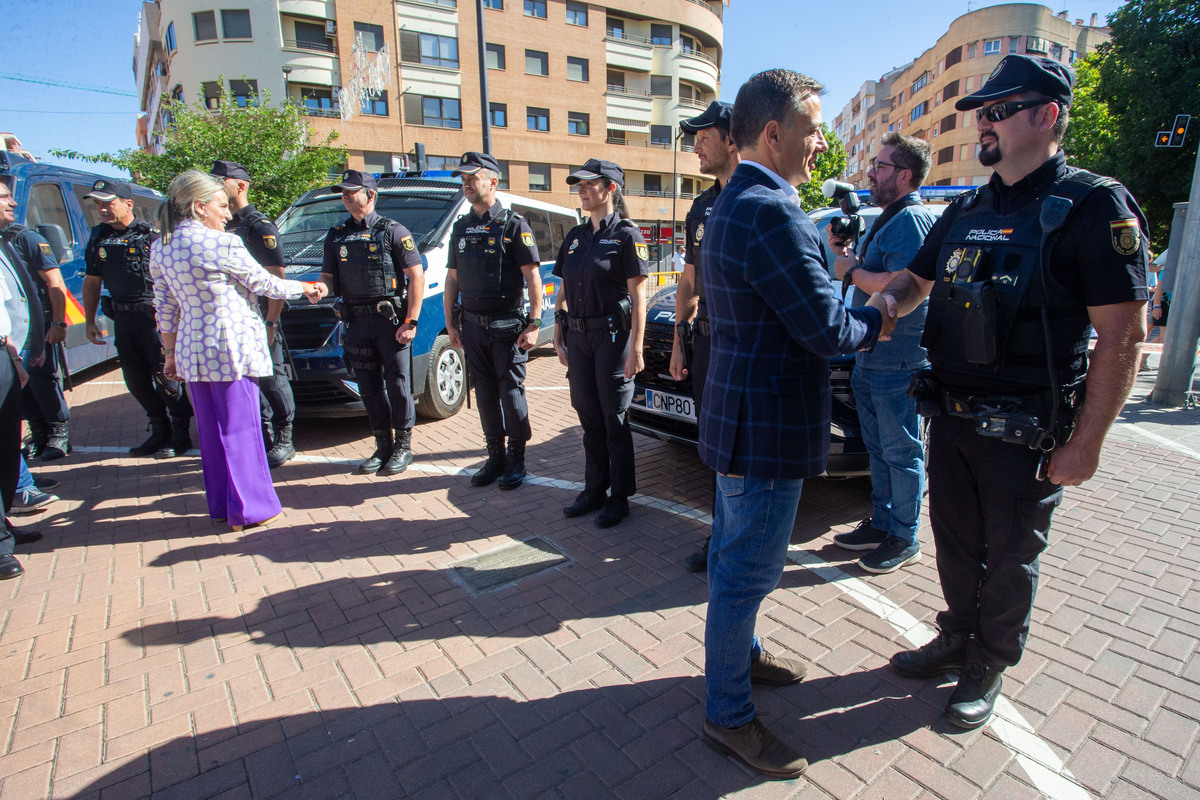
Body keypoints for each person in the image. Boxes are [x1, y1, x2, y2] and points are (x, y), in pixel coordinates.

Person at [878, 55, 1148, 730]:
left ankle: (988, 662)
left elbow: (1123, 336)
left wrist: (1088, 442)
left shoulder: (1091, 205)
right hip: (953, 415)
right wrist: (874, 309)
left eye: (998, 112)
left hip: (1027, 430)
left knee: (1011, 554)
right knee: (956, 543)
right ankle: (956, 637)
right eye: (981, 115)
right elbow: (913, 283)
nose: (983, 127)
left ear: (1046, 115)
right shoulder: (969, 207)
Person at [698, 69, 889, 779]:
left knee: (731, 564)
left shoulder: (735, 202)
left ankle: (741, 660)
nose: (822, 145)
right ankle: (728, 715)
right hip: (765, 426)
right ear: (773, 134)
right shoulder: (772, 211)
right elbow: (824, 329)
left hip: (741, 416)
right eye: (812, 131)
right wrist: (880, 315)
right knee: (745, 574)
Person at [150, 170, 324, 530]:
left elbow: (164, 307)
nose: (228, 213)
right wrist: (305, 287)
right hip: (231, 347)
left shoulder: (161, 247)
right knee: (241, 428)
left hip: (191, 348)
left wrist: (169, 354)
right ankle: (251, 507)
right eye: (221, 205)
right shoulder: (221, 244)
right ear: (199, 207)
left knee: (212, 434)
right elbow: (263, 282)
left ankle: (222, 505)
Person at [827, 132, 937, 574]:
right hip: (873, 355)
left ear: (905, 175)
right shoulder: (892, 217)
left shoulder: (911, 221)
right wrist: (847, 256)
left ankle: (903, 536)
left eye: (881, 166)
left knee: (901, 449)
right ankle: (882, 522)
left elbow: (903, 284)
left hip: (898, 359)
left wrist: (851, 270)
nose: (871, 172)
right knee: (878, 448)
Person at [552, 159, 649, 528]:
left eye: (589, 184)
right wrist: (559, 334)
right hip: (579, 338)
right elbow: (563, 288)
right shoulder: (576, 237)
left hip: (612, 339)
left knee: (614, 419)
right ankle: (595, 488)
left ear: (610, 188)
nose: (581, 190)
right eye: (579, 185)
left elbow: (639, 298)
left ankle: (620, 497)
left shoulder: (627, 235)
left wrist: (636, 349)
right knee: (588, 417)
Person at [668, 100, 739, 573]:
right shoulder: (702, 206)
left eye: (703, 136)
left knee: (741, 445)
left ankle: (738, 541)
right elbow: (689, 280)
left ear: (732, 139)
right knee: (712, 443)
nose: (695, 146)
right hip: (708, 340)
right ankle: (720, 535)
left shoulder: (756, 198)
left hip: (744, 343)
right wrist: (679, 338)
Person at [444, 152, 542, 490]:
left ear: (493, 182)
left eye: (473, 177)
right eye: (464, 179)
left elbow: (533, 278)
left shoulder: (514, 225)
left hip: (506, 328)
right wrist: (450, 322)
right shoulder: (460, 227)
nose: (467, 183)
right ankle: (495, 457)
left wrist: (534, 322)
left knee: (511, 393)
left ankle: (516, 458)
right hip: (471, 327)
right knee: (484, 395)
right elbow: (452, 279)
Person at [318, 170, 425, 476]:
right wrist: (318, 289)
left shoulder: (392, 230)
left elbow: (416, 275)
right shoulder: (336, 234)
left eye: (352, 191)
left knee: (397, 384)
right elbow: (327, 278)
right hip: (356, 323)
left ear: (370, 194)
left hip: (389, 323)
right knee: (368, 386)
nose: (346, 196)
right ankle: (383, 446)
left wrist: (411, 321)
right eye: (343, 192)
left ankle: (403, 447)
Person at [82, 177, 194, 457]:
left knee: (166, 377)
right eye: (98, 204)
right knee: (136, 380)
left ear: (127, 203)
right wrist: (89, 319)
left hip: (153, 318)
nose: (102, 209)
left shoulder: (151, 235)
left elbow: (173, 279)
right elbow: (92, 280)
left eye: (108, 203)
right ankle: (159, 430)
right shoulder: (99, 237)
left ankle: (181, 433)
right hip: (123, 318)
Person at [210, 160, 297, 468]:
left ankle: (285, 437)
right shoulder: (219, 226)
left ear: (240, 186)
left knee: (272, 377)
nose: (216, 186)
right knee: (247, 379)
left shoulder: (259, 227)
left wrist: (271, 322)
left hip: (260, 316)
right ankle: (262, 435)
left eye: (222, 181)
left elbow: (276, 279)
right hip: (234, 318)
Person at [0, 182, 71, 461]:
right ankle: (38, 433)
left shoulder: (23, 238)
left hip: (35, 325)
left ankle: (58, 432)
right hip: (11, 328)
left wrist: (57, 323)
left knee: (42, 379)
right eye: (4, 197)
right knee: (21, 386)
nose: (13, 203)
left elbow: (55, 282)